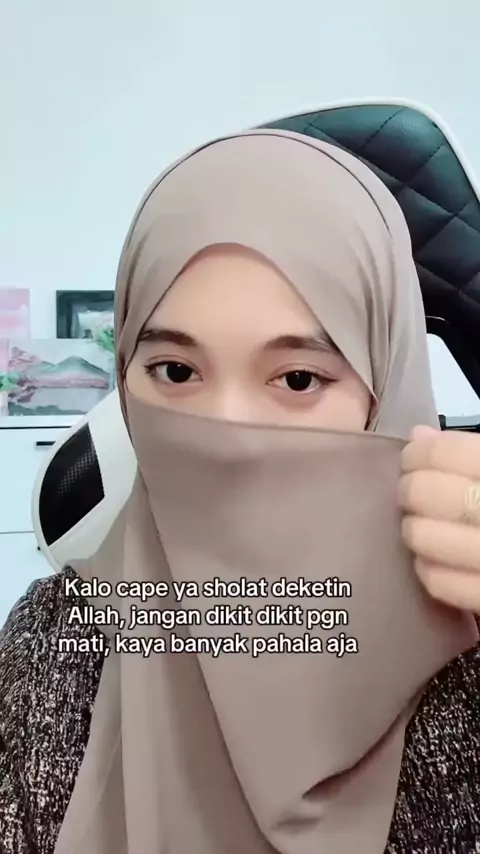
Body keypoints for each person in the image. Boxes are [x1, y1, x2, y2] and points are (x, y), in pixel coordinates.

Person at [1, 129, 480, 854]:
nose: (226, 434)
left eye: (298, 379)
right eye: (175, 372)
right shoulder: (52, 645)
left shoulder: (462, 656)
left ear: (383, 394)